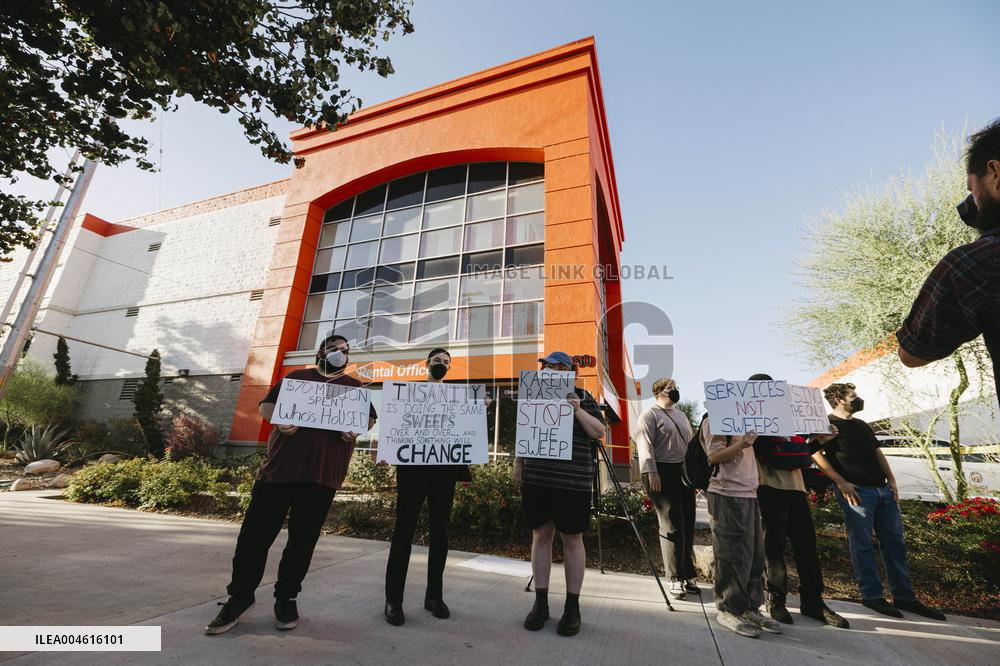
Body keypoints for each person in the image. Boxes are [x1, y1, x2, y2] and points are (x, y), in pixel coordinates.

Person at [205, 334, 377, 634]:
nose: (340, 354)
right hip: (278, 473)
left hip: (322, 478)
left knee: (302, 543)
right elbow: (266, 407)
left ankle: (286, 598)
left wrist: (355, 431)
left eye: (345, 351)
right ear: (321, 351)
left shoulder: (355, 389)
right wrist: (280, 421)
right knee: (253, 539)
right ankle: (240, 597)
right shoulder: (297, 378)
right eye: (335, 349)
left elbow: (368, 420)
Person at [811, 383, 945, 620]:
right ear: (839, 400)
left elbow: (877, 452)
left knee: (895, 544)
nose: (858, 399)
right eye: (853, 396)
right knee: (862, 545)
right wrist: (840, 482)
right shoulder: (827, 425)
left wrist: (892, 481)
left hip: (882, 491)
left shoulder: (862, 425)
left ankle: (905, 598)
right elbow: (815, 454)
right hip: (857, 493)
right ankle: (872, 596)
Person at [897, 118, 1000, 409]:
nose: (972, 199)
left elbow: (912, 353)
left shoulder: (979, 261)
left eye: (972, 187)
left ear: (995, 171)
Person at [383, 348, 489, 626]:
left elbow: (466, 431)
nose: (441, 365)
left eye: (446, 362)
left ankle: (434, 596)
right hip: (412, 472)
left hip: (444, 472)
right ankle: (393, 599)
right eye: (437, 360)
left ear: (449, 368)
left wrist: (479, 410)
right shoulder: (408, 392)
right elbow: (395, 427)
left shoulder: (459, 396)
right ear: (426, 363)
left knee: (440, 534)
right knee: (403, 532)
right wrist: (386, 448)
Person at [513, 351, 605, 637]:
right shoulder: (533, 396)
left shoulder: (584, 396)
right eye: (547, 366)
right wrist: (518, 463)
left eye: (557, 366)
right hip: (539, 478)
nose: (550, 370)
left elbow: (599, 431)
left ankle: (572, 607)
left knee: (572, 539)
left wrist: (577, 410)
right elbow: (523, 432)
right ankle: (540, 603)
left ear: (571, 371)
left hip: (573, 482)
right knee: (540, 535)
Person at [747, 374, 849, 629]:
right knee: (774, 547)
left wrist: (819, 439)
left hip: (796, 488)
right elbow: (751, 450)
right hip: (768, 486)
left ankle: (813, 601)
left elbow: (802, 449)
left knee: (807, 545)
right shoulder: (751, 418)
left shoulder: (791, 416)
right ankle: (776, 600)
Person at [700, 386, 783, 639]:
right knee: (732, 552)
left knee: (754, 554)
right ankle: (728, 608)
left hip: (748, 493)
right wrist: (742, 444)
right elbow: (713, 457)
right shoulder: (714, 421)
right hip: (726, 494)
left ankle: (750, 606)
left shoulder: (743, 423)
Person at [635, 378, 698, 599]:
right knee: (671, 523)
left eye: (677, 387)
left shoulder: (681, 415)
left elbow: (690, 444)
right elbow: (644, 443)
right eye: (671, 388)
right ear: (659, 392)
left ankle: (688, 572)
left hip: (682, 473)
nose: (675, 391)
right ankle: (674, 577)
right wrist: (650, 471)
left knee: (687, 521)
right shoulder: (650, 414)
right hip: (661, 471)